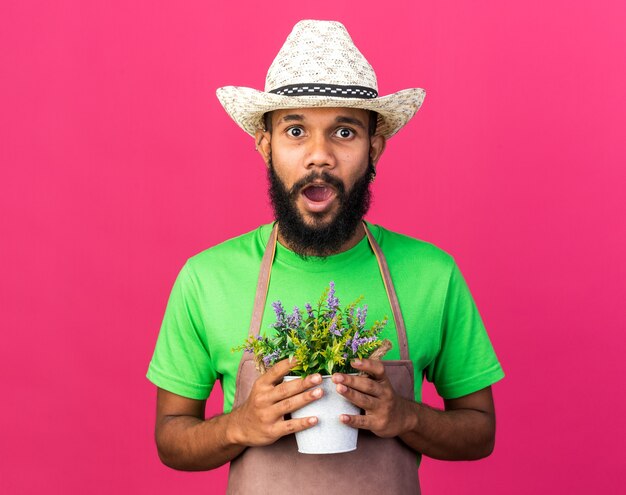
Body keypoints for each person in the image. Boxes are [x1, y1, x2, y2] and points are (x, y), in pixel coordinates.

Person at [147, 19, 504, 494]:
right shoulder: (206, 277)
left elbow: (479, 431)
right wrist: (238, 426)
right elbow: (172, 438)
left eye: (344, 132)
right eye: (295, 130)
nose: (320, 156)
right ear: (265, 145)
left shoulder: (432, 274)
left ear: (374, 147)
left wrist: (404, 416)